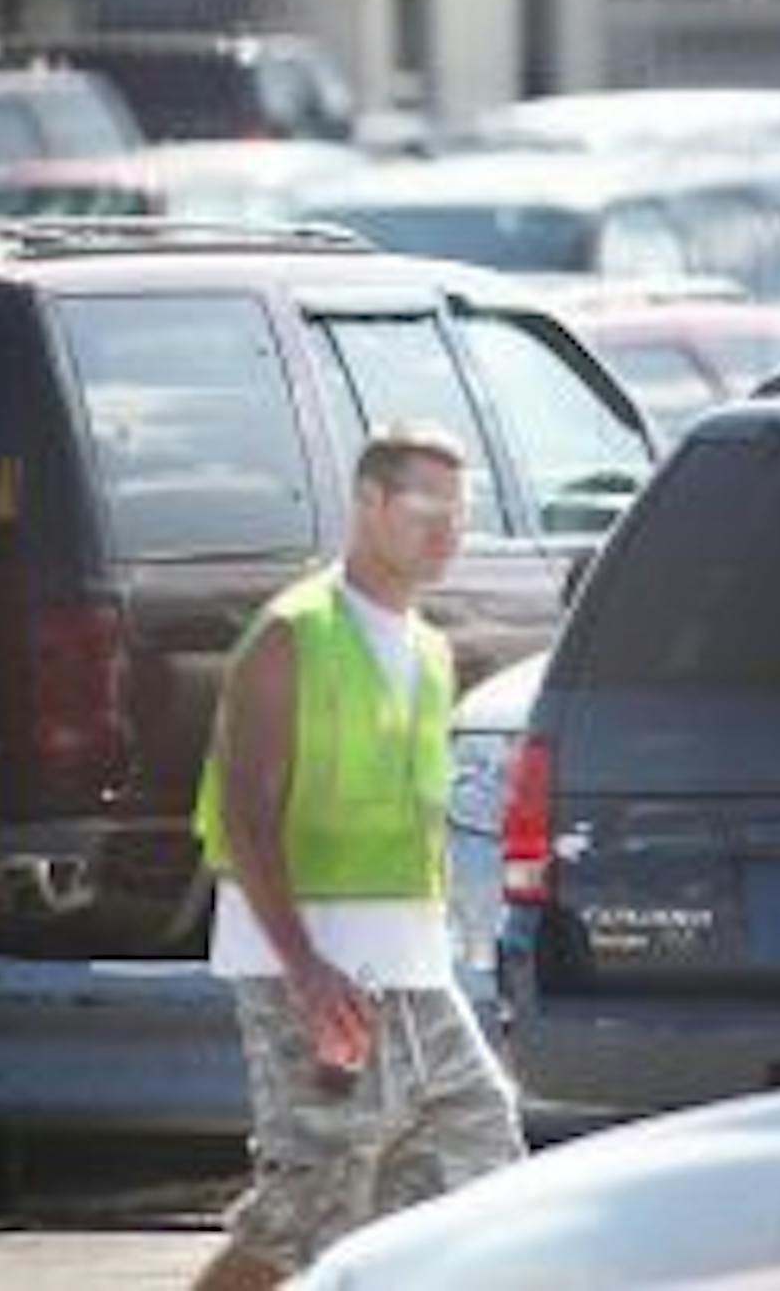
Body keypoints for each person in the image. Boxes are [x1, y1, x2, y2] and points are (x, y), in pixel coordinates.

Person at [189, 419, 525, 1290]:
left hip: (408, 971)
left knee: (474, 1159)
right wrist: (306, 973)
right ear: (369, 503)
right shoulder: (292, 635)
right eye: (426, 509)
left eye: (459, 513)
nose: (447, 532)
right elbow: (247, 817)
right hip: (311, 971)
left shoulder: (429, 649)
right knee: (309, 1211)